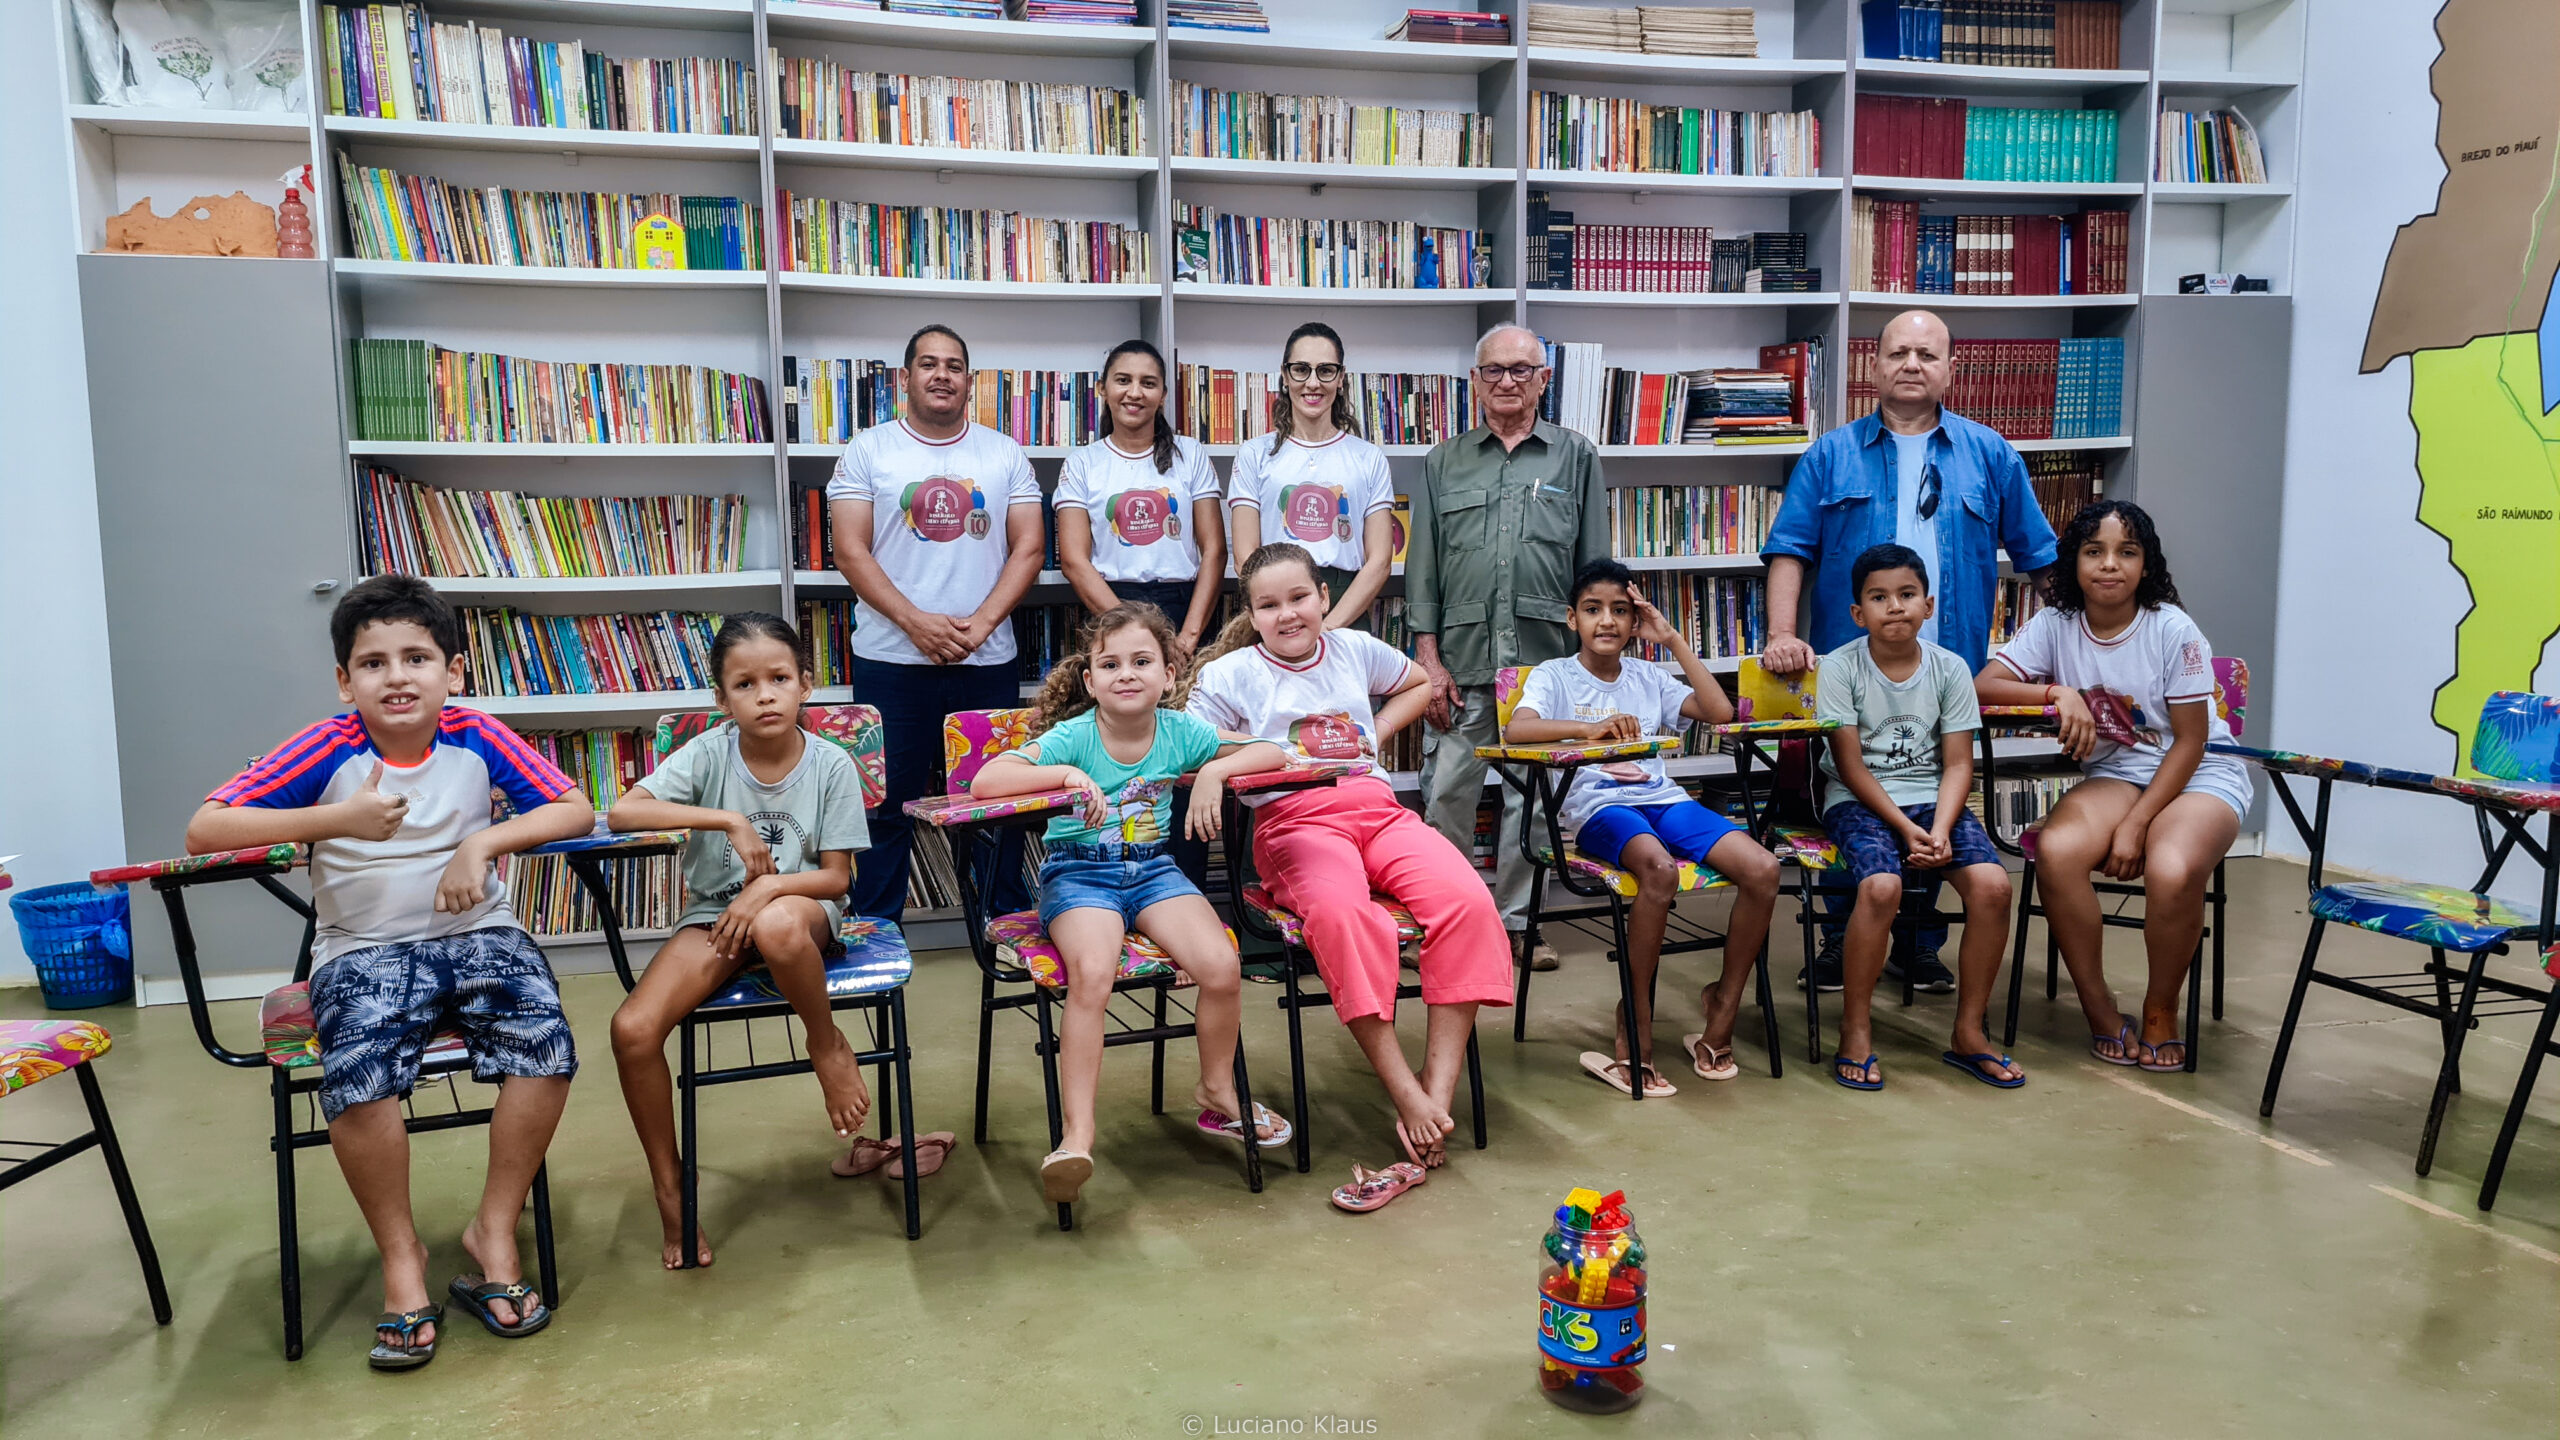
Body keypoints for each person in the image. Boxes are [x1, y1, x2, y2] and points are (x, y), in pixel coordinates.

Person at [185, 575, 595, 1370]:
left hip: (480, 934)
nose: (397, 675)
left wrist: (482, 846)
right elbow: (207, 826)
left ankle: (493, 1230)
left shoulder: (476, 735)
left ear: (454, 671)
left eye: (417, 657)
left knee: (546, 1043)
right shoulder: (327, 746)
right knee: (359, 1072)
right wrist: (337, 820)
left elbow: (573, 807)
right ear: (346, 682)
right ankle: (402, 1259)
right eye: (373, 663)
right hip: (362, 950)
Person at [604, 614, 939, 1271]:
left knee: (777, 920)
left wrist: (763, 892)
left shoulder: (832, 764)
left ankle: (826, 1042)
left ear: (805, 686)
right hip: (714, 918)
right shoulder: (708, 753)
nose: (765, 694)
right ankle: (672, 1189)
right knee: (632, 1030)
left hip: (804, 917)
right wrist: (725, 818)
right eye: (745, 683)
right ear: (721, 698)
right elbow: (623, 812)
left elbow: (837, 877)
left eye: (779, 678)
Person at [1188, 543, 1514, 1215]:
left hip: (1378, 810)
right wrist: (1222, 769)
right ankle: (1404, 1094)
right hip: (1294, 822)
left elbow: (1419, 685)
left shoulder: (1355, 649)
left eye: (1299, 597)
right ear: (1250, 615)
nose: (1287, 614)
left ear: (1324, 595)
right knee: (1344, 917)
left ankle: (1435, 1096)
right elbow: (1188, 746)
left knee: (1466, 902)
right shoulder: (1229, 676)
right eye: (1268, 605)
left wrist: (1375, 730)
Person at [1761, 309, 2057, 994]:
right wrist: (1782, 634)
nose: (1912, 365)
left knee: (1933, 792)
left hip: (1947, 672)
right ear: (1874, 368)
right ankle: (1842, 937)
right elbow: (1788, 552)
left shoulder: (1991, 454)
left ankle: (1920, 945)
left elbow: (2044, 563)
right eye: (1898, 353)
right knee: (1843, 794)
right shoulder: (1829, 455)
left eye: (1927, 354)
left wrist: (2067, 649)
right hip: (1846, 671)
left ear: (1950, 369)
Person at [967, 603, 1293, 1206]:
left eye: (1142, 662)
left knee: (1221, 964)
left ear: (1169, 675)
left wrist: (1217, 775)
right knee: (1093, 974)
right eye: (1110, 664)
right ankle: (1077, 1136)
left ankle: (1216, 1090)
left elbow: (1272, 751)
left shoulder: (1181, 732)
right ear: (1090, 680)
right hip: (1078, 877)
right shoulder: (1074, 734)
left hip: (1154, 875)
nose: (1126, 674)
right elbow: (987, 782)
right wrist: (1064, 774)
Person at [1975, 501, 2247, 1073]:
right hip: (2118, 775)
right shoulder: (2055, 623)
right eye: (2093, 551)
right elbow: (1984, 685)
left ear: (2146, 565)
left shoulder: (2172, 627)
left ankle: (2159, 1011)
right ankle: (2099, 1007)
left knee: (2171, 868)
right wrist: (2056, 694)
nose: (2109, 565)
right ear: (2073, 561)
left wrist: (2136, 824)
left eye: (2127, 552)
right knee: (2056, 850)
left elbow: (2192, 742)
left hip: (2200, 774)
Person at [1504, 560, 1782, 1093]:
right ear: (1571, 618)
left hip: (1663, 799)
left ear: (1636, 621)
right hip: (1599, 810)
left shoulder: (1649, 676)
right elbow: (1519, 729)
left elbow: (1720, 713)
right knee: (1658, 870)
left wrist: (1672, 638)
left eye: (1620, 611)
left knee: (1763, 868)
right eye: (1593, 610)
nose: (1606, 621)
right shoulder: (1555, 675)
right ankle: (1636, 1025)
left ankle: (1721, 1013)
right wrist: (1589, 730)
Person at [1407, 322, 1611, 973]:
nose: (1506, 382)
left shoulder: (1574, 457)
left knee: (1533, 803)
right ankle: (1444, 921)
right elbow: (1424, 574)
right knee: (1446, 798)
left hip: (1543, 667)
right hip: (1461, 662)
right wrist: (1428, 663)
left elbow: (1596, 573)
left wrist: (1588, 668)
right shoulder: (1443, 461)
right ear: (1475, 379)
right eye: (1494, 370)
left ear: (1543, 380)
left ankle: (1519, 927)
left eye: (1521, 370)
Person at [828, 323, 1044, 922]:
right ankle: (876, 930)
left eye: (953, 366)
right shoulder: (868, 450)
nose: (941, 374)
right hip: (891, 662)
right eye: (929, 364)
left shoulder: (1003, 453)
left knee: (999, 802)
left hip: (986, 660)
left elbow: (1029, 547)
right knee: (885, 808)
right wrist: (915, 622)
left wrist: (980, 623)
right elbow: (850, 550)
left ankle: (1004, 924)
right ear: (906, 378)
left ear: (969, 382)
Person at [1814, 545, 2020, 1092]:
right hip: (1858, 800)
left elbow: (1958, 764)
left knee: (1994, 887)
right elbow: (1851, 767)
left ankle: (1969, 1032)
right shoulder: (1837, 667)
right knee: (1882, 886)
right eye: (1879, 598)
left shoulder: (1950, 668)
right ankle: (1855, 1030)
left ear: (1928, 605)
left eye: (1907, 595)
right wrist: (1907, 831)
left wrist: (1942, 828)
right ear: (1859, 613)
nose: (1895, 607)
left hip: (1934, 801)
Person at [1054, 338, 1226, 658]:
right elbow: (1074, 561)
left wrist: (1187, 639)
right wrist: (1131, 631)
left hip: (1185, 607)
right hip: (1111, 605)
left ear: (1162, 395)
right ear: (1102, 388)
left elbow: (1215, 550)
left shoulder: (1190, 454)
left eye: (1148, 383)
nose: (1135, 393)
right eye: (1123, 380)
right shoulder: (1082, 463)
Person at [1226, 321, 1395, 631]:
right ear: (1285, 375)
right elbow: (1244, 559)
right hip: (1276, 608)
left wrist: (1328, 628)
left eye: (1326, 370)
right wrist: (1286, 613)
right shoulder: (1253, 454)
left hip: (1347, 607)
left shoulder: (1368, 458)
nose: (1313, 383)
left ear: (1341, 378)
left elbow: (1380, 560)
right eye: (1301, 369)